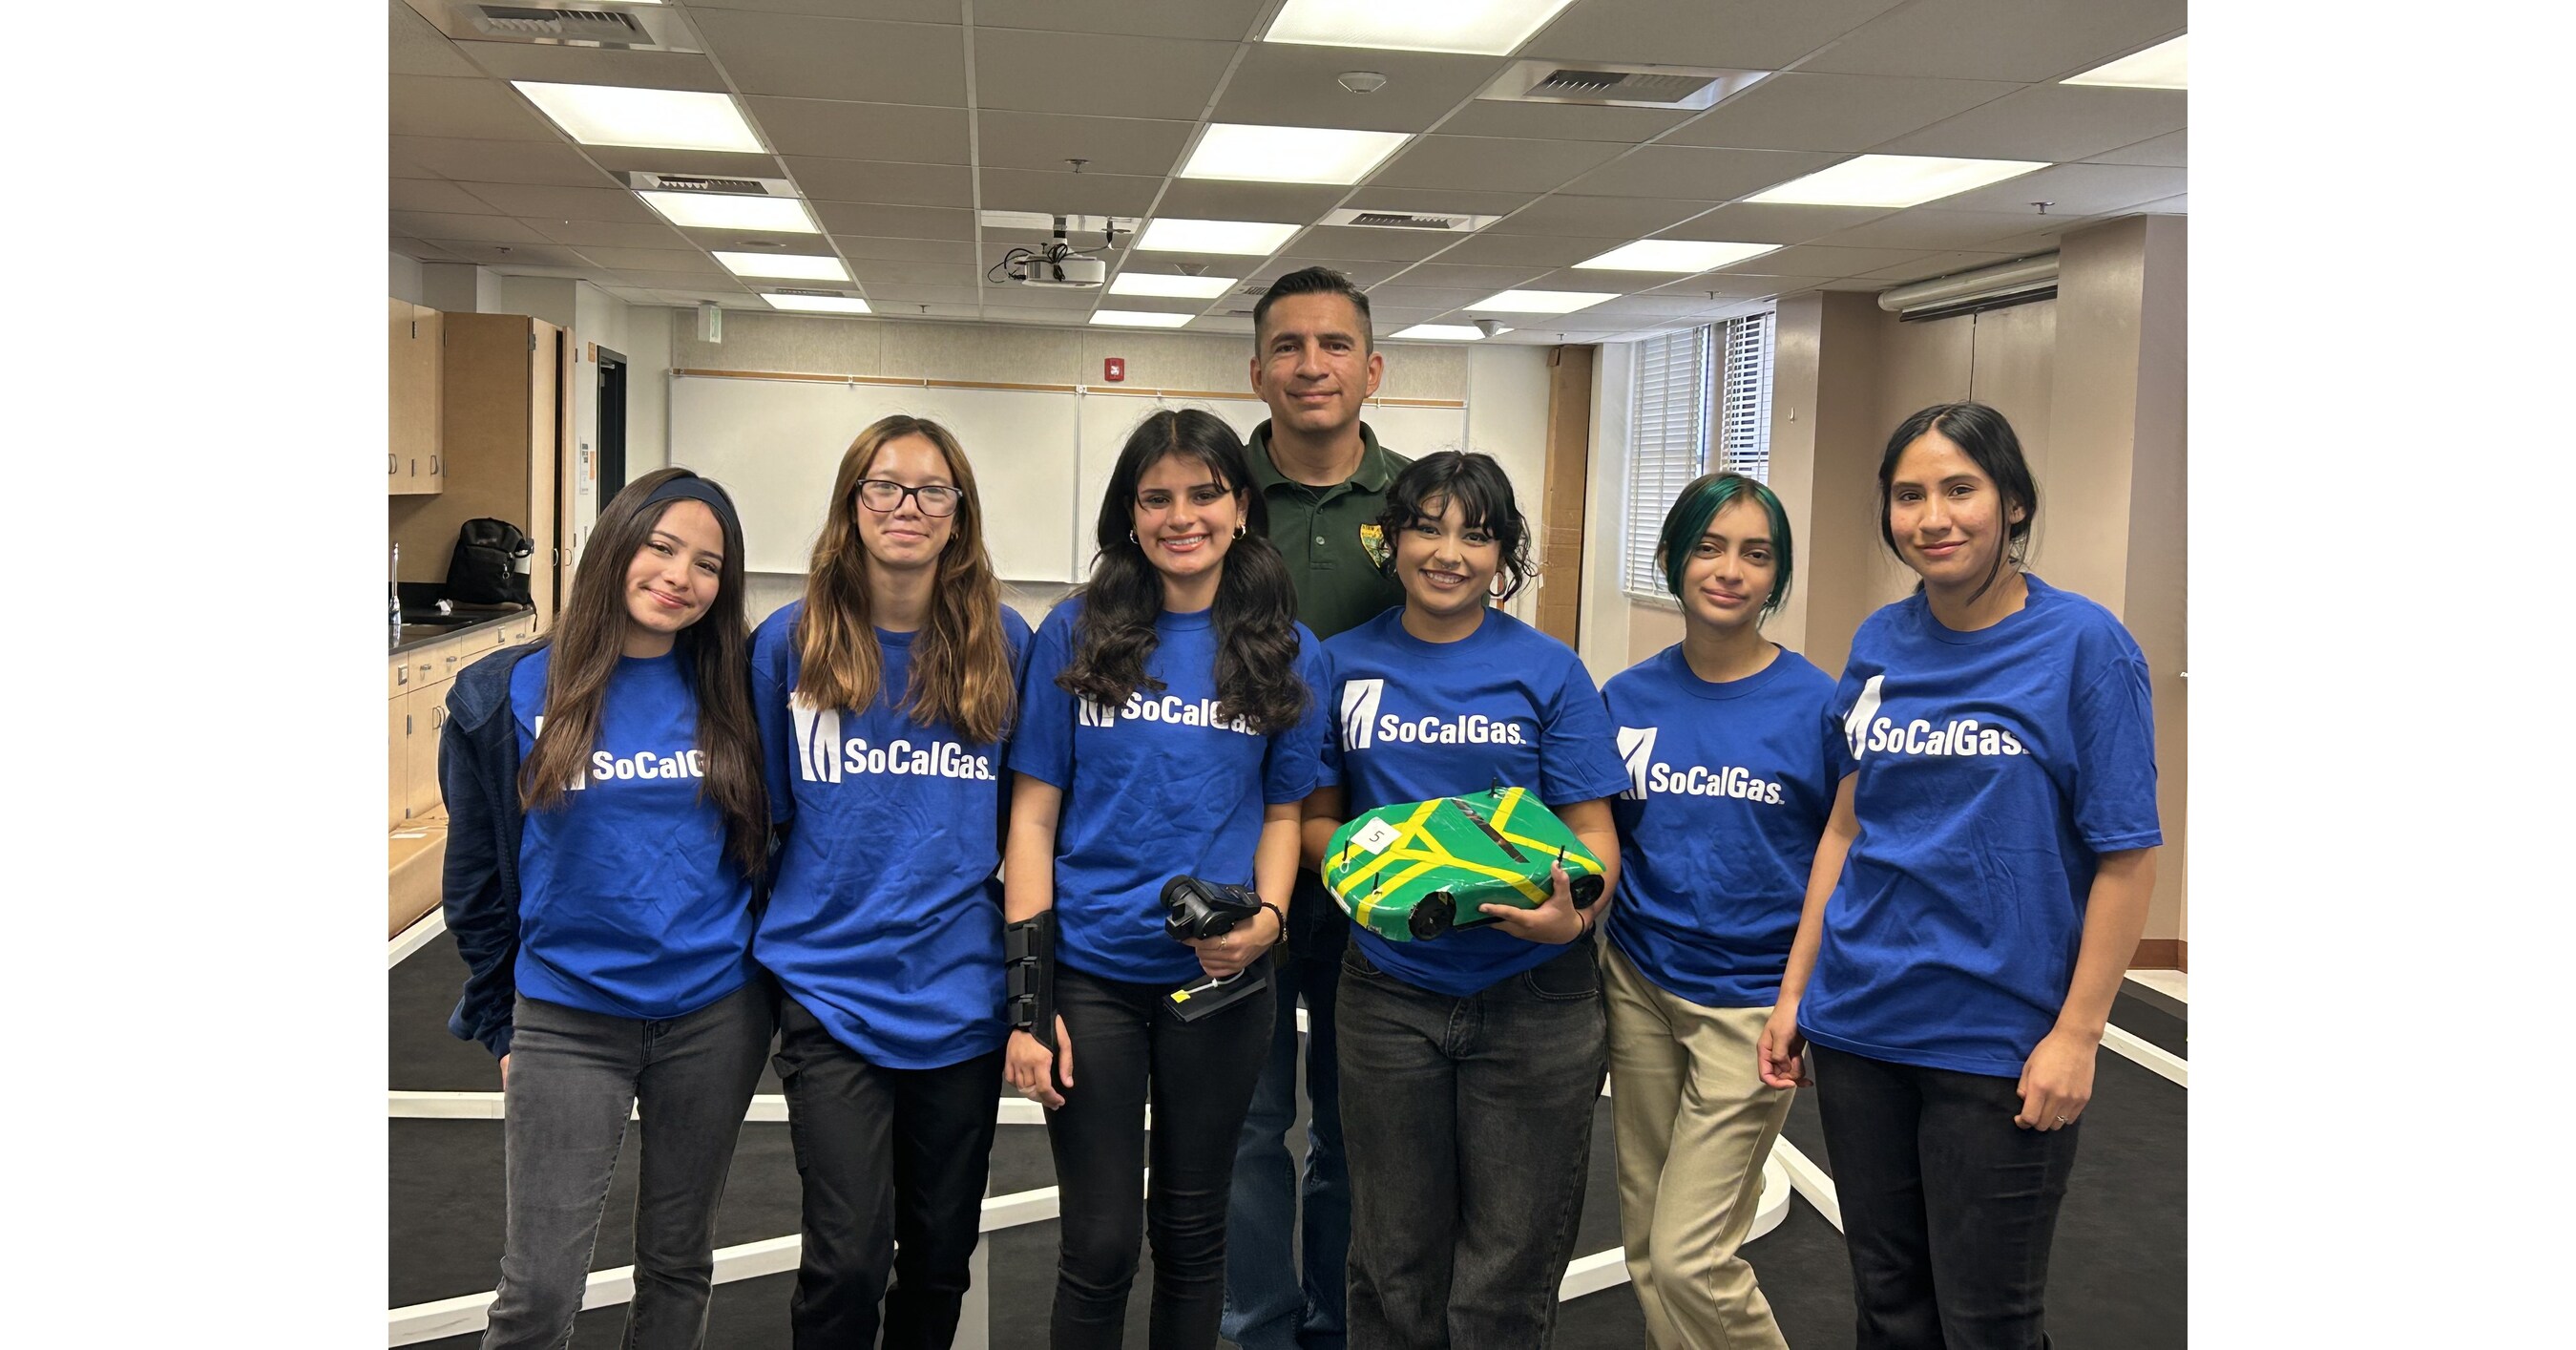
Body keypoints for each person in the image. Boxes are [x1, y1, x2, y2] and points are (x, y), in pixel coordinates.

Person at [1758, 401, 2162, 1350]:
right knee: (1888, 1307)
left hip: (1996, 1038)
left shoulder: (2084, 648)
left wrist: (2077, 1034)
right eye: (1907, 495)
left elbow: (2126, 855)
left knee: (1986, 1321)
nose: (1930, 517)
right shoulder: (1878, 644)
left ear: (2012, 505)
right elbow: (1846, 828)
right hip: (1861, 1023)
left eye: (1958, 490)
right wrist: (1793, 992)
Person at [1002, 408, 1333, 1350]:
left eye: (1203, 493)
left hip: (1218, 982)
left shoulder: (1285, 648)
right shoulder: (1075, 632)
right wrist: (1028, 1002)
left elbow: (1281, 812)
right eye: (1156, 497)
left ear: (1238, 507)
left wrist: (1266, 921)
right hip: (1092, 975)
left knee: (1193, 1235)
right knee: (1099, 1243)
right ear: (1128, 511)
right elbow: (1030, 819)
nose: (1179, 516)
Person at [438, 468, 773, 1350]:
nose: (680, 577)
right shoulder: (503, 693)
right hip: (567, 1016)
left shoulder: (738, 688)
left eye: (707, 563)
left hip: (713, 1013)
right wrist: (502, 1026)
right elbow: (475, 884)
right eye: (661, 547)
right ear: (615, 545)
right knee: (539, 1290)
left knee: (676, 1265)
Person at [1306, 451, 1630, 1348]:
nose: (1448, 553)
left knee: (1507, 1275)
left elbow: (1593, 837)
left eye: (1476, 535)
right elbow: (1313, 822)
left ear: (1502, 555)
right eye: (1428, 526)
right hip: (1388, 992)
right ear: (1392, 538)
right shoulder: (1339, 664)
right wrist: (1392, 875)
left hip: (1537, 996)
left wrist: (1578, 911)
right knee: (1391, 1264)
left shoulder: (1549, 670)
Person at [750, 415, 1032, 1349]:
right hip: (828, 989)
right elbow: (763, 816)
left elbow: (1022, 823)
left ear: (960, 514)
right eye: (884, 485)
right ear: (851, 502)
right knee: (846, 1258)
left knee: (939, 1255)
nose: (906, 505)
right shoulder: (787, 645)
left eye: (931, 489)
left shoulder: (1006, 643)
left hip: (958, 994)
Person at [1599, 473, 1838, 1350]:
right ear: (1670, 559)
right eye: (1708, 546)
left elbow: (1837, 862)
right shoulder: (1626, 699)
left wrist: (1798, 1001)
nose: (1729, 570)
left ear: (1776, 577)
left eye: (1756, 553)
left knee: (1690, 1255)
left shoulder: (1820, 707)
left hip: (1750, 1004)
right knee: (1646, 1247)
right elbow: (1603, 844)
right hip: (1638, 983)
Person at [1226, 264, 1411, 1350]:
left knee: (1355, 1131)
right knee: (1245, 1130)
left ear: (1370, 367)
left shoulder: (1417, 504)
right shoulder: (1209, 492)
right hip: (1235, 858)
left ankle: (1337, 1325)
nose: (1310, 365)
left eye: (1333, 345)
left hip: (1369, 859)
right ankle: (1254, 1327)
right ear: (1256, 372)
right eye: (1287, 347)